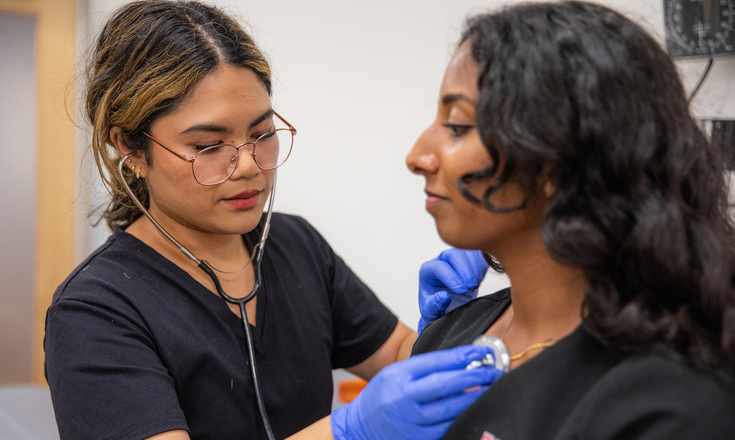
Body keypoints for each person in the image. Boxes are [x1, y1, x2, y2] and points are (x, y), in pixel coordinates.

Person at [43, 1, 499, 439]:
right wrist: (349, 430)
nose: (248, 166)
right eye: (207, 146)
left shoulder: (296, 244)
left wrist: (445, 335)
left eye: (262, 134)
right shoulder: (94, 311)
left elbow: (398, 357)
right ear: (131, 148)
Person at [406, 1, 735, 438]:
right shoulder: (444, 340)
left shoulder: (670, 401)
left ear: (557, 161)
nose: (418, 157)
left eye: (459, 125)